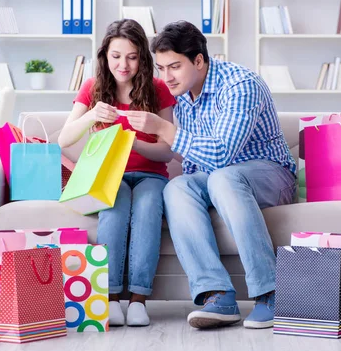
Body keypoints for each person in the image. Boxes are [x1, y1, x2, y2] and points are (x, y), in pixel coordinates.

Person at [125, 21, 297, 330]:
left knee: (223, 177)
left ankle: (271, 293)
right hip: (219, 178)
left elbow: (221, 155)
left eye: (174, 66)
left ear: (199, 60)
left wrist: (163, 128)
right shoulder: (181, 96)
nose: (166, 77)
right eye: (161, 68)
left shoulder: (241, 85)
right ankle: (217, 295)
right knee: (177, 187)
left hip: (271, 175)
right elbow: (195, 163)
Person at [58, 19, 177, 327]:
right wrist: (92, 116)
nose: (123, 64)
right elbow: (64, 139)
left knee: (149, 207)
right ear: (105, 56)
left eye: (132, 56)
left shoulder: (158, 89)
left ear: (142, 58)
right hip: (109, 176)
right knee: (115, 207)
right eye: (116, 56)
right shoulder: (93, 87)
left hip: (151, 175)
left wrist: (134, 140)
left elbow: (167, 151)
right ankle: (109, 297)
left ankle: (139, 299)